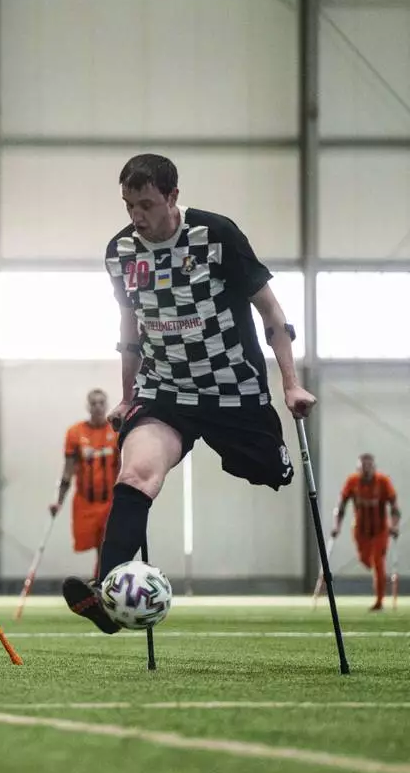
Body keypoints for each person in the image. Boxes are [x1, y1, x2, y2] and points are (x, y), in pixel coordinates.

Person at [63, 154, 316, 634]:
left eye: (146, 204)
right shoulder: (121, 251)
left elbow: (271, 312)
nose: (137, 216)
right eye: (128, 205)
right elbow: (129, 325)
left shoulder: (216, 235)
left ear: (172, 196)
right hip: (165, 391)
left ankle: (265, 456)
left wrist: (290, 382)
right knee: (136, 474)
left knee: (270, 471)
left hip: (232, 391)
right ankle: (108, 596)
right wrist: (128, 396)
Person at [50, 389, 120, 578]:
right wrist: (58, 501)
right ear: (88, 406)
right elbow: (67, 471)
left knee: (106, 544)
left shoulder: (116, 431)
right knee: (96, 545)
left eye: (101, 403)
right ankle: (101, 580)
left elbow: (124, 467)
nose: (98, 407)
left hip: (110, 501)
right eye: (93, 403)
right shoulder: (75, 433)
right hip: (85, 502)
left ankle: (101, 581)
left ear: (106, 405)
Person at [332, 453, 401, 611]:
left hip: (380, 530)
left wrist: (394, 525)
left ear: (374, 467)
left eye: (369, 467)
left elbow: (394, 506)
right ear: (358, 469)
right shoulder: (352, 482)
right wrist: (337, 526)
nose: (366, 470)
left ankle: (379, 601)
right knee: (364, 559)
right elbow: (341, 505)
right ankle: (373, 569)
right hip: (360, 530)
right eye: (363, 467)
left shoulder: (383, 482)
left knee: (378, 561)